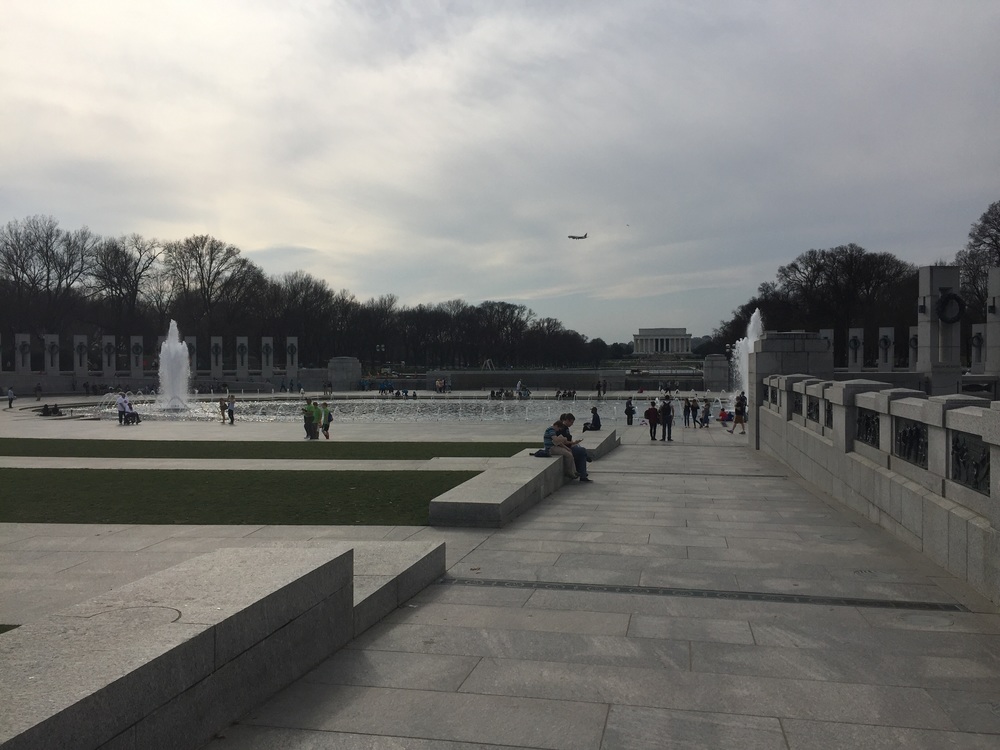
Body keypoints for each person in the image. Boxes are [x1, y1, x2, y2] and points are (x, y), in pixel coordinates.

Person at [559, 413, 592, 482]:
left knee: (582, 454)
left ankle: (583, 475)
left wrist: (574, 443)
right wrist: (572, 444)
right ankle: (583, 473)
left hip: (569, 447)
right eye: (571, 422)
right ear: (567, 420)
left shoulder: (566, 428)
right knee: (582, 451)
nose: (572, 424)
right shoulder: (561, 428)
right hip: (565, 448)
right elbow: (561, 441)